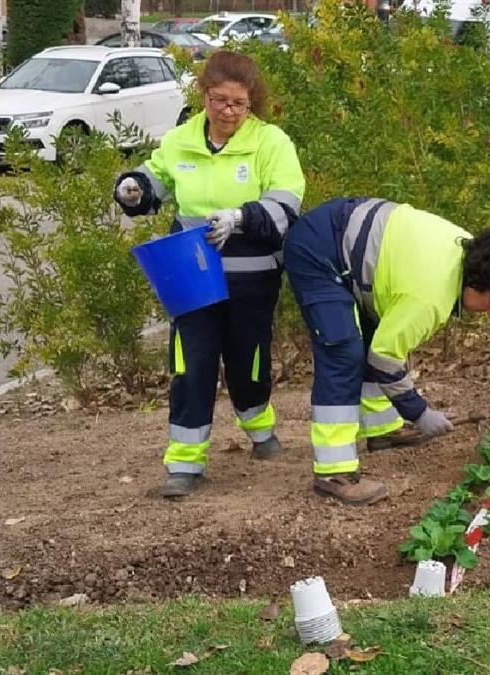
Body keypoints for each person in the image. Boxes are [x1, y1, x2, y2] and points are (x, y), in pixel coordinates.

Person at [113, 51, 305, 497]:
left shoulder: (271, 143)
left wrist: (242, 217)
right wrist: (133, 188)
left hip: (250, 275)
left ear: (251, 102)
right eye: (219, 100)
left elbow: (288, 202)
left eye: (239, 103)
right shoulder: (181, 139)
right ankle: (184, 463)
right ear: (204, 95)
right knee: (191, 364)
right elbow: (154, 179)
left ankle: (260, 429)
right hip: (190, 274)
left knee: (247, 360)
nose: (228, 112)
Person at [283, 198, 490, 506]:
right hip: (318, 250)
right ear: (477, 285)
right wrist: (419, 412)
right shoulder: (430, 298)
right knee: (343, 351)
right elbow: (385, 358)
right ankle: (334, 473)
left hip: (344, 241)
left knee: (375, 334)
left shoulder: (471, 253)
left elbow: (385, 344)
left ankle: (383, 430)